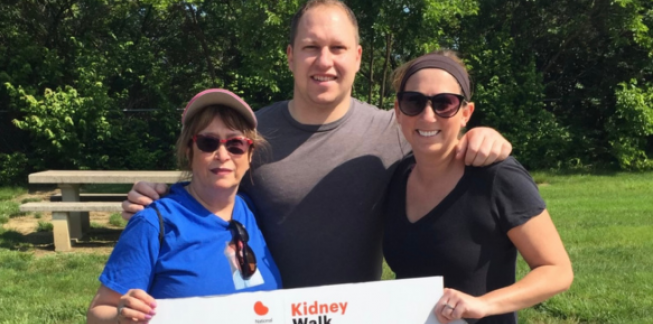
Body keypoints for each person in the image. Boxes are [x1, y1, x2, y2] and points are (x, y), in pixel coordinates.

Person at [122, 0, 513, 289]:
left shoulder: (394, 130)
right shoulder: (252, 132)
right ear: (291, 57)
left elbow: (443, 150)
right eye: (311, 47)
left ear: (357, 58)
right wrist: (159, 199)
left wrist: (481, 136)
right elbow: (209, 187)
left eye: (338, 48)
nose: (324, 61)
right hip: (265, 323)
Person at [382, 50, 574, 324]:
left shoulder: (496, 177)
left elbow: (557, 269)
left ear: (466, 112)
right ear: (399, 112)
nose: (428, 116)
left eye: (444, 103)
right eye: (414, 102)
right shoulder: (396, 178)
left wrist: (482, 304)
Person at [86, 89, 282, 324]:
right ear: (189, 150)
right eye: (208, 142)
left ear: (250, 155)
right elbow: (96, 318)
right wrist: (121, 319)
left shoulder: (250, 211)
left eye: (235, 144)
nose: (222, 154)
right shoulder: (153, 222)